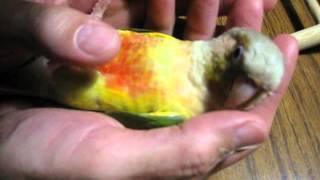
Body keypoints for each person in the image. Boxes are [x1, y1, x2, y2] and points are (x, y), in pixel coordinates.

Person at [0, 0, 298, 179]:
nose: (242, 88)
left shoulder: (183, 115)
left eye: (257, 91)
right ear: (229, 40)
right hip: (49, 57)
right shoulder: (181, 47)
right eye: (237, 57)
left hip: (55, 88)